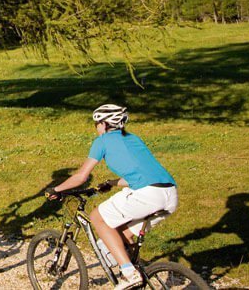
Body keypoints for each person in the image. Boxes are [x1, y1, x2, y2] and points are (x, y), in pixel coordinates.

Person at [47, 104, 178, 290]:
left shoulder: (102, 141)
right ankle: (136, 273)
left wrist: (56, 189)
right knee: (122, 234)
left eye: (96, 124)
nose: (96, 128)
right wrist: (112, 183)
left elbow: (81, 177)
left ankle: (129, 273)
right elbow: (140, 173)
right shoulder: (133, 139)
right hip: (169, 194)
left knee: (96, 217)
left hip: (147, 195)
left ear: (103, 124)